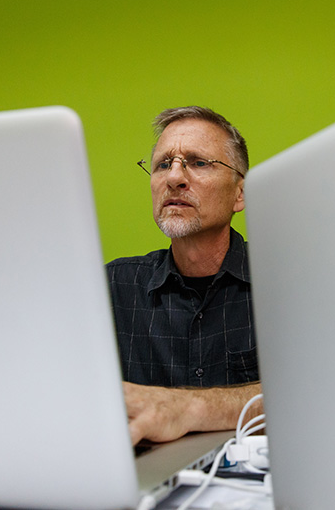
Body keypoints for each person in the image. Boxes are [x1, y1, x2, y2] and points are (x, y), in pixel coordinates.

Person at [106, 106, 261, 445]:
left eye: (198, 162)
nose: (174, 178)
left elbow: (323, 391)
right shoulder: (111, 289)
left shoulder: (286, 281)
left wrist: (189, 407)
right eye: (163, 164)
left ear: (240, 193)